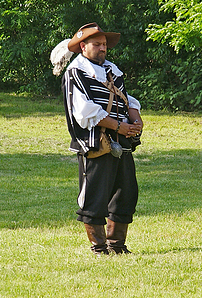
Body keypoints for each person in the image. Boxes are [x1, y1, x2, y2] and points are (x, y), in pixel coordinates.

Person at [61, 23, 143, 255]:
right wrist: (119, 126)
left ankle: (116, 245)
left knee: (125, 193)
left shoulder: (112, 70)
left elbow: (127, 99)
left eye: (104, 44)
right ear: (83, 47)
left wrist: (135, 120)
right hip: (96, 144)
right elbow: (84, 111)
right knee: (95, 196)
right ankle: (99, 248)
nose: (102, 48)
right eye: (97, 44)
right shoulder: (76, 72)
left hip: (122, 142)